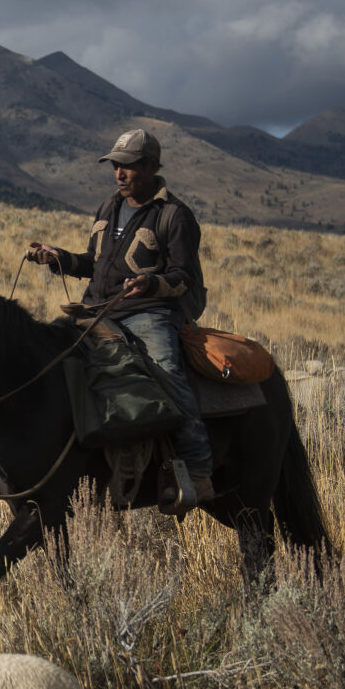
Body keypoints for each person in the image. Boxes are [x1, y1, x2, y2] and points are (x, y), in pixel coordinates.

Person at [25, 127, 215, 509]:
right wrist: (58, 257)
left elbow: (184, 278)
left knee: (166, 371)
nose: (119, 174)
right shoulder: (109, 206)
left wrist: (150, 284)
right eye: (115, 166)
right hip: (95, 312)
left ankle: (197, 470)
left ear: (151, 166)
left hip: (149, 315)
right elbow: (93, 265)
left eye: (127, 166)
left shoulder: (174, 216)